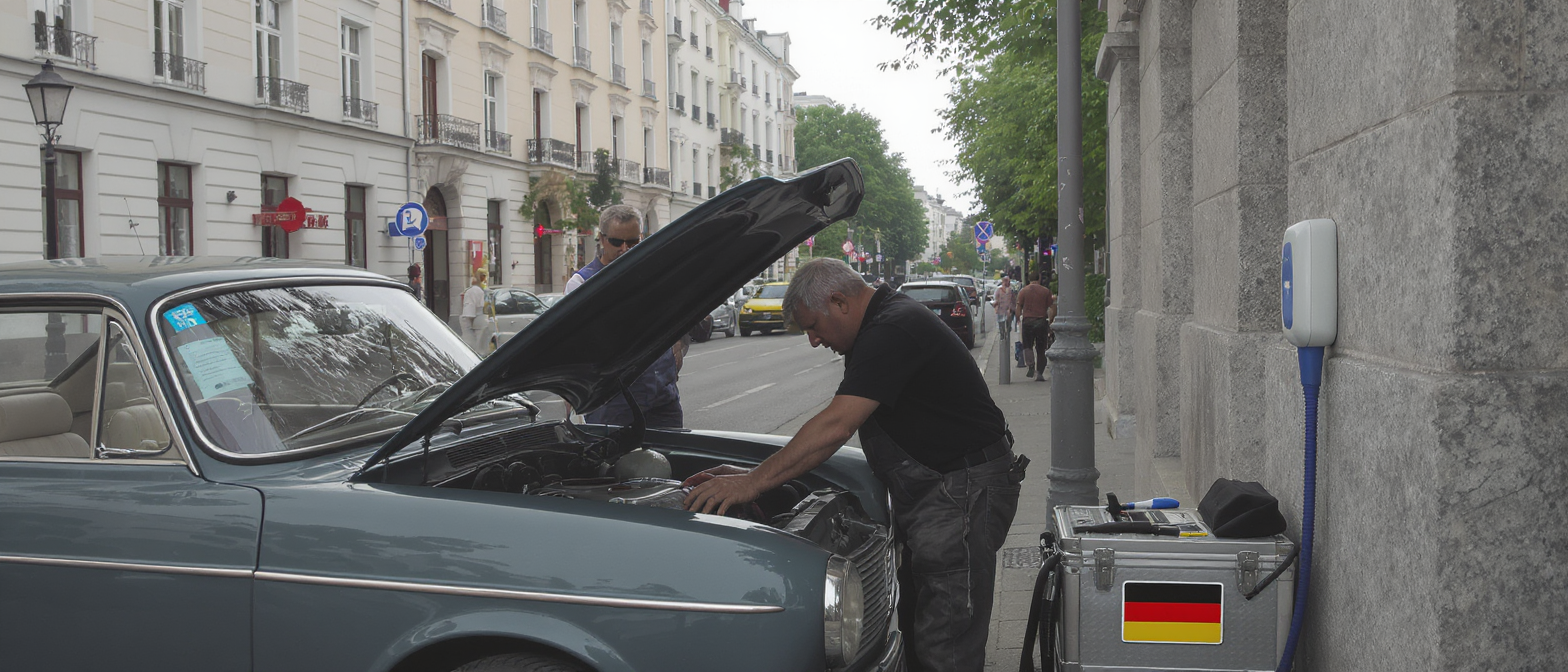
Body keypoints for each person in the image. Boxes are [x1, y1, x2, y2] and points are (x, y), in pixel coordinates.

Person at [684, 258, 1024, 672]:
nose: (813, 340)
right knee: (924, 626)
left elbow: (835, 425)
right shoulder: (883, 321)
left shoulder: (891, 329)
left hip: (962, 492)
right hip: (948, 489)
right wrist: (755, 475)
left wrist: (752, 483)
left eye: (813, 326)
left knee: (946, 641)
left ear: (839, 301)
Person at [566, 204, 684, 429]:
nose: (625, 249)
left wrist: (677, 341)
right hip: (612, 402)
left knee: (672, 459)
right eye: (617, 242)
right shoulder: (582, 284)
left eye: (632, 242)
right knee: (615, 463)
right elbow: (574, 345)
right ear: (601, 239)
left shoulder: (656, 275)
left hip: (663, 396)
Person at [1014, 270, 1056, 381]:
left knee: (1027, 346)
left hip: (1027, 321)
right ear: (1039, 278)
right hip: (1041, 321)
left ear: (1029, 279)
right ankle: (1040, 373)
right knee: (1041, 348)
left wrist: (1018, 319)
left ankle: (1030, 364)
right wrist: (1051, 320)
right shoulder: (1045, 291)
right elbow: (1052, 307)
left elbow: (1018, 308)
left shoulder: (1023, 291)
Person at [460, 268, 489, 352]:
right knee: (481, 342)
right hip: (481, 318)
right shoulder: (481, 290)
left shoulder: (472, 291)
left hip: (476, 318)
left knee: (475, 342)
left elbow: (469, 311)